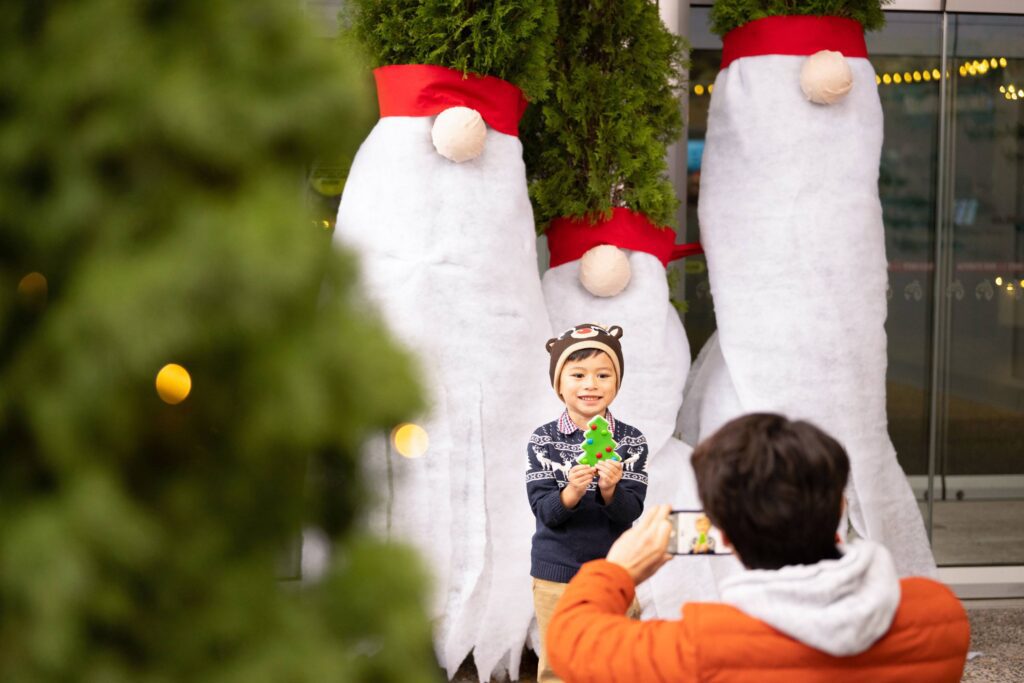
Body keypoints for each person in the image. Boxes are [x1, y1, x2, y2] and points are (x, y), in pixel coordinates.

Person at [546, 413, 970, 683]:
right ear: (840, 505)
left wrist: (618, 569)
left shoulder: (702, 644)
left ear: (724, 535)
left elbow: (570, 642)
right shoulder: (937, 615)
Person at [526, 323, 649, 683]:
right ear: (559, 384)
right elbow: (546, 513)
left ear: (617, 382)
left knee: (617, 659)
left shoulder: (630, 441)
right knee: (559, 664)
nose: (590, 384)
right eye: (577, 374)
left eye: (602, 374)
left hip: (613, 570)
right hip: (555, 572)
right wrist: (572, 492)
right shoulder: (543, 440)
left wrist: (612, 490)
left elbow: (631, 512)